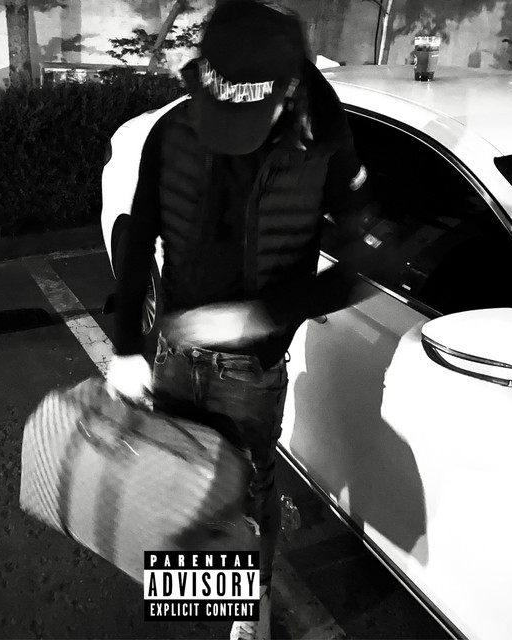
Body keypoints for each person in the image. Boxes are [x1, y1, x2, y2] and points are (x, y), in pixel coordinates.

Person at [106, 1, 398, 638]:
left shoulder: (324, 144)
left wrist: (257, 318)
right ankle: (202, 602)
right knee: (182, 477)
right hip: (174, 348)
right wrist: (127, 346)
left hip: (251, 367)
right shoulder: (174, 130)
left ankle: (249, 613)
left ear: (288, 89)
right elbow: (139, 237)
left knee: (247, 486)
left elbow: (367, 260)